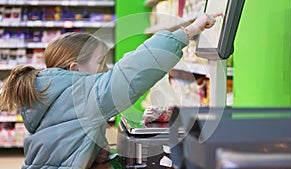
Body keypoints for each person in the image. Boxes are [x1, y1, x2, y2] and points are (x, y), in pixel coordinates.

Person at [0, 12, 221, 169]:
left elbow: (64, 143)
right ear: (74, 69)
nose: (105, 70)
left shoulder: (51, 92)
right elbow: (132, 71)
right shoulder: (80, 93)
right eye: (100, 63)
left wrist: (95, 154)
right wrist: (190, 30)